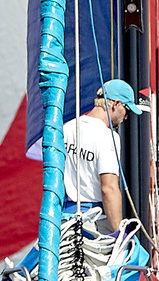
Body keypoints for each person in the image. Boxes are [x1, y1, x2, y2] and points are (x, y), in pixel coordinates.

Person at [61, 78, 148, 230]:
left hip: (65, 222)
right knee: (134, 252)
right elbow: (109, 189)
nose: (126, 117)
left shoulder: (67, 129)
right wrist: (118, 234)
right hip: (94, 222)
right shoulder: (108, 137)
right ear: (116, 104)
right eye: (127, 110)